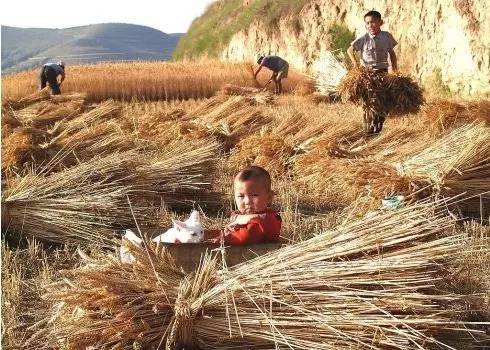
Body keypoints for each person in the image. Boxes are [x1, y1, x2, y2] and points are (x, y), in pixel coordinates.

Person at [347, 10, 398, 134]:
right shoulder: (364, 38)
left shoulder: (387, 37)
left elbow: (392, 54)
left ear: (380, 22)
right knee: (370, 102)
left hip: (383, 73)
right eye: (368, 23)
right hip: (367, 74)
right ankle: (369, 130)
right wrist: (355, 64)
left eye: (373, 22)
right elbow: (349, 50)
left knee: (384, 102)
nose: (370, 25)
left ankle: (378, 126)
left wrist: (395, 71)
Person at [212, 166, 282, 245]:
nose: (247, 202)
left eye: (255, 195)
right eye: (241, 196)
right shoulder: (241, 215)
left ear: (269, 197)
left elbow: (246, 236)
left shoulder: (267, 220)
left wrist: (223, 239)